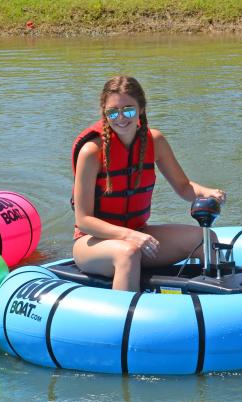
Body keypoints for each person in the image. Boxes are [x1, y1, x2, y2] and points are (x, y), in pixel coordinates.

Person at [71, 76, 227, 292]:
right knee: (128, 253)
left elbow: (183, 187)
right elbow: (84, 220)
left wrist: (207, 192)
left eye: (128, 110)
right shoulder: (91, 152)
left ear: (141, 109)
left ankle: (209, 309)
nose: (121, 118)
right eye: (113, 112)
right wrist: (129, 236)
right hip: (93, 243)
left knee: (205, 239)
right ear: (104, 113)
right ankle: (124, 321)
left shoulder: (155, 142)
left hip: (138, 233)